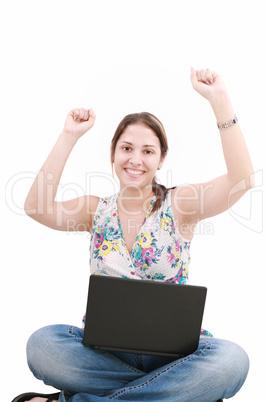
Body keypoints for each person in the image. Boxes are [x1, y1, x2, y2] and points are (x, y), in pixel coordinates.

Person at [13, 68, 254, 402]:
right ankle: (171, 393)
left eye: (147, 151)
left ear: (161, 159)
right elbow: (36, 207)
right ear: (113, 153)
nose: (135, 160)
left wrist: (220, 100)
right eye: (126, 148)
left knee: (231, 361)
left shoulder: (180, 204)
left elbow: (242, 181)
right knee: (41, 345)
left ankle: (79, 399)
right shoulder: (94, 210)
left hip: (174, 357)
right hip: (106, 354)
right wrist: (69, 135)